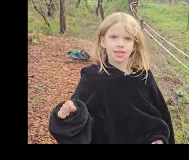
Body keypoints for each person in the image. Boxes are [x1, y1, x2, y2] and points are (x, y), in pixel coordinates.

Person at [48, 12, 175, 144]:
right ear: (103, 41)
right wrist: (70, 115)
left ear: (134, 44)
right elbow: (83, 119)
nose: (120, 43)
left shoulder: (144, 77)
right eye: (114, 37)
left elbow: (159, 118)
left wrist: (158, 138)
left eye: (127, 38)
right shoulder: (92, 79)